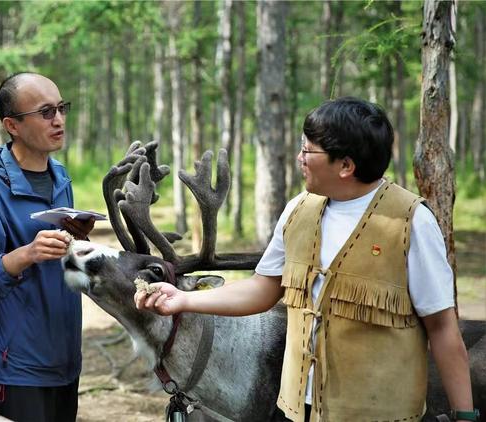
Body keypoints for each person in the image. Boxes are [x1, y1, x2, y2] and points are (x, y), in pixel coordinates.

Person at [135, 97, 477, 422]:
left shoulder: (410, 222)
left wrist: (464, 416)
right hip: (298, 411)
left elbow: (443, 327)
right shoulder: (298, 211)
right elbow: (262, 290)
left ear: (345, 165)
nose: (299, 158)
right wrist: (184, 299)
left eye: (307, 150)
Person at [0, 72, 94, 422]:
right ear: (12, 125)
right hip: (17, 371)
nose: (59, 119)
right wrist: (26, 254)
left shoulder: (60, 176)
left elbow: (62, 266)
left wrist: (78, 240)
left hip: (65, 363)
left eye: (62, 108)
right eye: (46, 112)